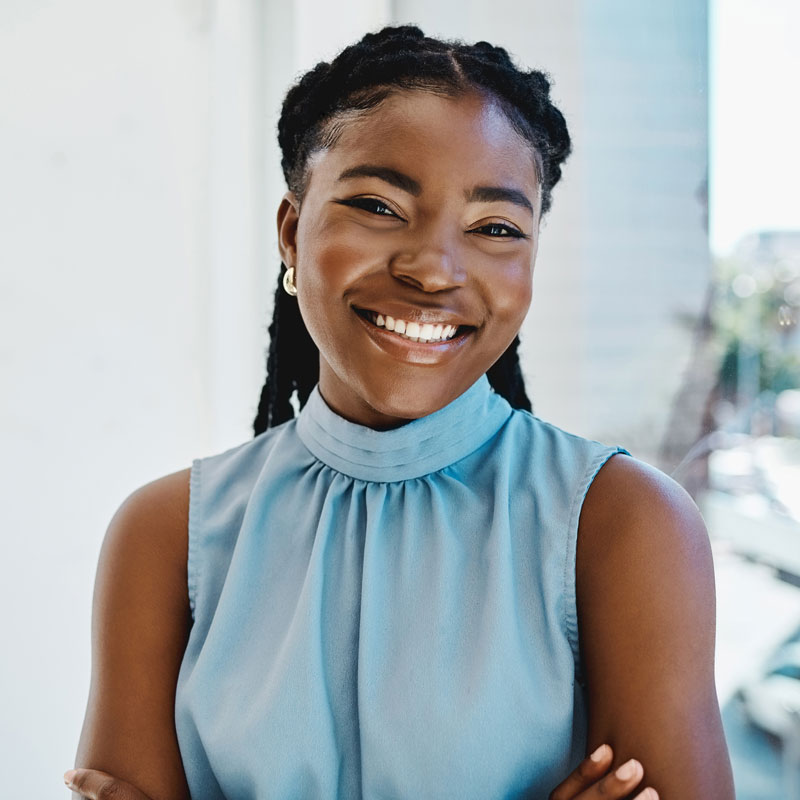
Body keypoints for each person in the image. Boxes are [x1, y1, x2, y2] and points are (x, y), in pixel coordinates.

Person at [64, 25, 735, 800]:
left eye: (495, 228)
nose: (433, 269)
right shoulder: (164, 537)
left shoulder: (622, 525)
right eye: (380, 205)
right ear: (291, 230)